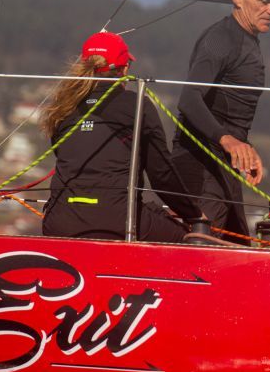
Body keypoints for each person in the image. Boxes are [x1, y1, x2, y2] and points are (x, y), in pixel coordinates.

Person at [41, 32, 204, 242]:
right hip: (117, 220)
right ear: (124, 69)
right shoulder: (137, 106)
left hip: (59, 222)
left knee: (151, 212)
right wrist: (194, 215)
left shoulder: (64, 108)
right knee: (189, 240)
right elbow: (161, 175)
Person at [171, 0, 270, 239]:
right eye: (265, 1)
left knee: (237, 247)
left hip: (224, 167)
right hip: (199, 165)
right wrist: (228, 140)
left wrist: (245, 148)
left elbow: (228, 110)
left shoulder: (248, 40)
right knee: (203, 248)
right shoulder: (221, 38)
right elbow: (189, 98)